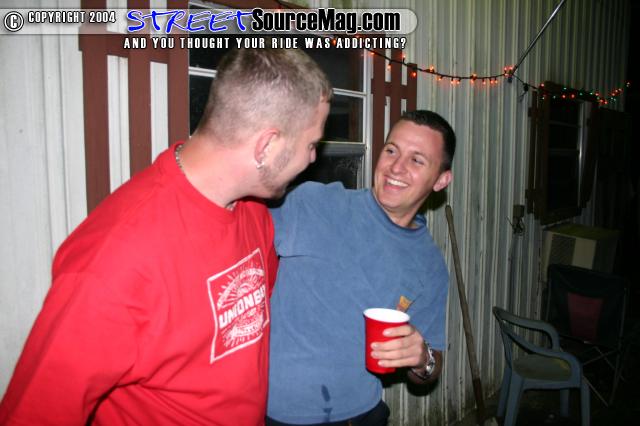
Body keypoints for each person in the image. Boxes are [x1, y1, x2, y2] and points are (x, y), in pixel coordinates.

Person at [0, 47, 332, 425]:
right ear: (267, 145)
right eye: (310, 144)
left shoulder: (253, 211)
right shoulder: (111, 263)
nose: (312, 158)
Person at [266, 110, 455, 425]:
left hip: (363, 414)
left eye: (416, 160)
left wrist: (423, 359)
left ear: (440, 180)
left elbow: (430, 368)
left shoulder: (430, 265)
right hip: (277, 415)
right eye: (391, 150)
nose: (396, 167)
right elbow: (233, 242)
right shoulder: (315, 204)